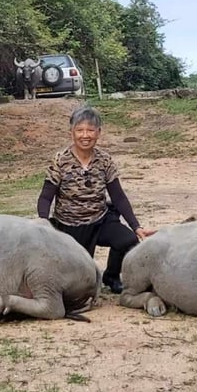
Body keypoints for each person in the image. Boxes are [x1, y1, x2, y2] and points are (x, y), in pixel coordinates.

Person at [37, 105, 155, 294]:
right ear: (72, 132)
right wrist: (43, 223)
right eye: (80, 130)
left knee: (128, 240)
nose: (85, 135)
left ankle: (112, 276)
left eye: (90, 130)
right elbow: (45, 197)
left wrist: (136, 226)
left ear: (98, 133)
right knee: (79, 281)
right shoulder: (59, 160)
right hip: (68, 225)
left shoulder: (104, 160)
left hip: (99, 221)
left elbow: (118, 196)